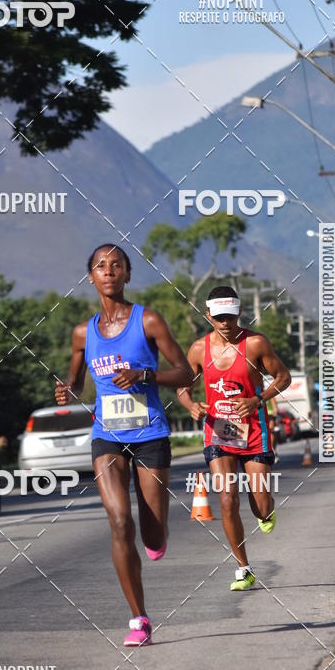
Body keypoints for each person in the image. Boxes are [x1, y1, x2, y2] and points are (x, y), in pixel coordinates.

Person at [55, 244, 193, 647]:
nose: (109, 271)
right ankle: (139, 620)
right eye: (101, 265)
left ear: (128, 275)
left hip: (150, 435)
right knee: (119, 522)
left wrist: (144, 375)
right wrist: (67, 389)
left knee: (151, 533)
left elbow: (186, 372)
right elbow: (77, 382)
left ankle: (157, 536)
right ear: (91, 277)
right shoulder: (83, 333)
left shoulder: (147, 320)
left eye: (117, 265)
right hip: (107, 438)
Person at [177, 286, 291, 592]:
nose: (224, 322)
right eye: (218, 317)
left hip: (254, 431)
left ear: (239, 313)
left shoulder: (255, 343)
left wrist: (259, 399)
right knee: (227, 498)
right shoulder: (198, 350)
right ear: (208, 316)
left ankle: (266, 509)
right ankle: (243, 567)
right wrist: (191, 405)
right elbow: (182, 385)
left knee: (260, 506)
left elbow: (283, 377)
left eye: (229, 316)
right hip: (218, 432)